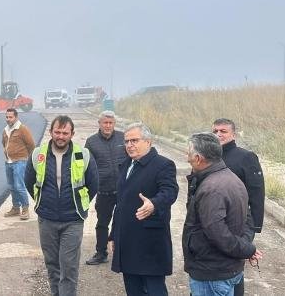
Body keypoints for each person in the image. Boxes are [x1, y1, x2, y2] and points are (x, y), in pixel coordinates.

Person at [25, 115, 99, 296]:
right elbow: (29, 181)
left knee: (69, 266)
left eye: (65, 133)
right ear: (51, 132)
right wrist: (44, 203)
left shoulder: (83, 155)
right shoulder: (38, 155)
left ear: (72, 134)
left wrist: (78, 206)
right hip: (47, 219)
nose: (60, 136)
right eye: (57, 132)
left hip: (72, 220)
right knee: (52, 264)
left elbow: (93, 185)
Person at [183, 132, 262, 296]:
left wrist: (247, 249)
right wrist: (246, 247)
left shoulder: (212, 189)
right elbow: (247, 221)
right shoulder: (231, 178)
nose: (187, 158)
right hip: (226, 269)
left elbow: (218, 234)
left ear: (198, 158)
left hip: (212, 273)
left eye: (189, 154)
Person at [108, 123, 178, 296]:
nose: (130, 145)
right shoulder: (126, 165)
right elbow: (120, 204)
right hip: (127, 240)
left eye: (134, 140)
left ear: (148, 142)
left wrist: (154, 203)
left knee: (154, 290)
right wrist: (113, 234)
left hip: (149, 243)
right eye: (126, 141)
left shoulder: (163, 164)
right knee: (133, 290)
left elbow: (170, 192)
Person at [213, 118, 265, 296]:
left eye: (223, 131)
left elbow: (257, 192)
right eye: (215, 131)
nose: (218, 134)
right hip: (214, 220)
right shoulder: (210, 157)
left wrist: (255, 226)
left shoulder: (246, 157)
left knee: (234, 266)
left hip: (240, 220)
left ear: (233, 134)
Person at [84, 110, 127, 265]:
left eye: (111, 123)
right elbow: (87, 167)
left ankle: (126, 252)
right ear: (99, 123)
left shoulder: (124, 138)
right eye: (105, 123)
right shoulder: (91, 142)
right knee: (102, 223)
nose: (108, 126)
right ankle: (101, 253)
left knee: (126, 222)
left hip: (124, 190)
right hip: (103, 191)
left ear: (114, 124)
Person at [4, 108, 37, 220]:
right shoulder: (6, 130)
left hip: (20, 161)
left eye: (10, 117)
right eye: (7, 117)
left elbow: (31, 145)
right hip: (8, 162)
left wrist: (28, 160)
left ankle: (25, 209)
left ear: (16, 117)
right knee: (11, 186)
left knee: (19, 186)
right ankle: (15, 207)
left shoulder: (22, 129)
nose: (8, 119)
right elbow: (4, 143)